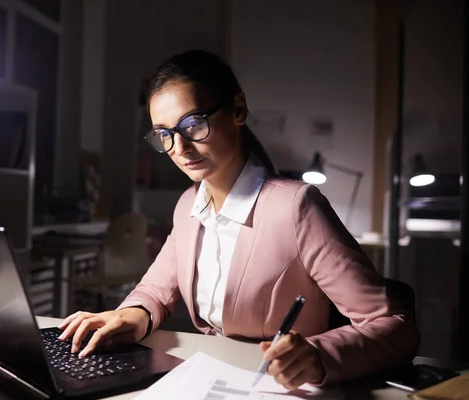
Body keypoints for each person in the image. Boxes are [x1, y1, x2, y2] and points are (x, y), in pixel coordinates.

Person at [57, 49, 420, 389]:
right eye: (164, 135)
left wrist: (318, 356)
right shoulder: (188, 206)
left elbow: (395, 327)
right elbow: (155, 290)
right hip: (212, 379)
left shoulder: (296, 207)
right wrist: (130, 316)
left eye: (193, 124)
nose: (180, 149)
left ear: (238, 109)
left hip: (282, 388)